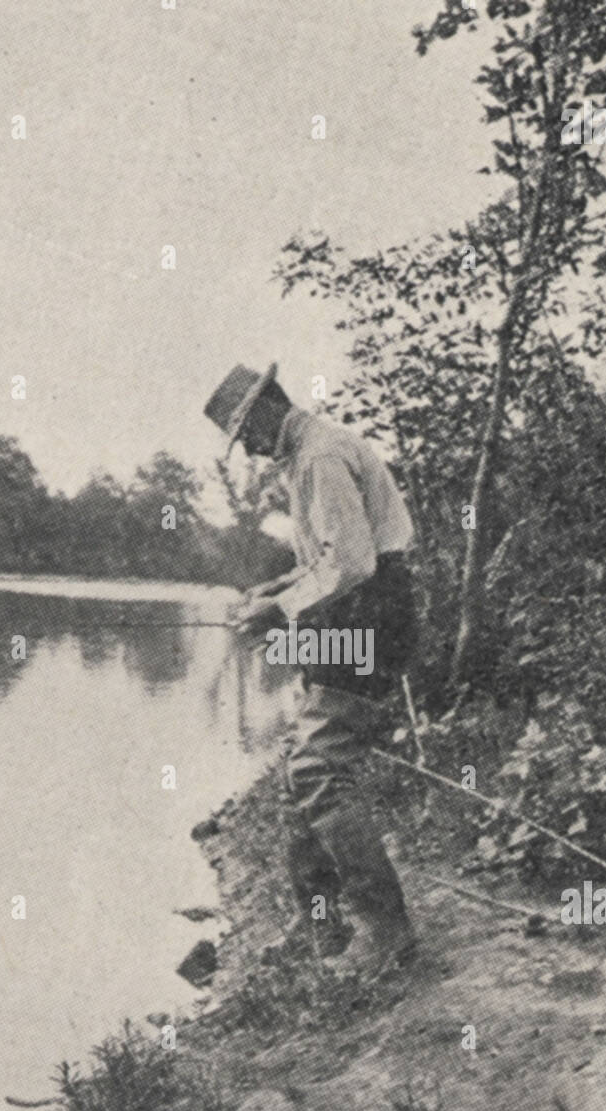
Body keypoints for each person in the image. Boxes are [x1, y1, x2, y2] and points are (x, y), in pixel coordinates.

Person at [204, 362, 419, 980]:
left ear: (272, 406)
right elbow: (328, 558)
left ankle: (388, 934)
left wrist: (277, 611)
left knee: (320, 768)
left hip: (369, 617)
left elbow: (353, 564)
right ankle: (321, 925)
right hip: (350, 613)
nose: (246, 446)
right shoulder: (305, 456)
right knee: (306, 763)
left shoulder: (321, 458)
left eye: (246, 431)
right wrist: (280, 586)